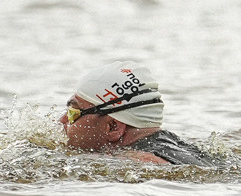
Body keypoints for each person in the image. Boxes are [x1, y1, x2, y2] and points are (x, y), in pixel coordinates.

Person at [60, 64, 216, 166]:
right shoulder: (188, 150)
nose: (62, 120)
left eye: (73, 113)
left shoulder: (135, 161)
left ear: (113, 127)